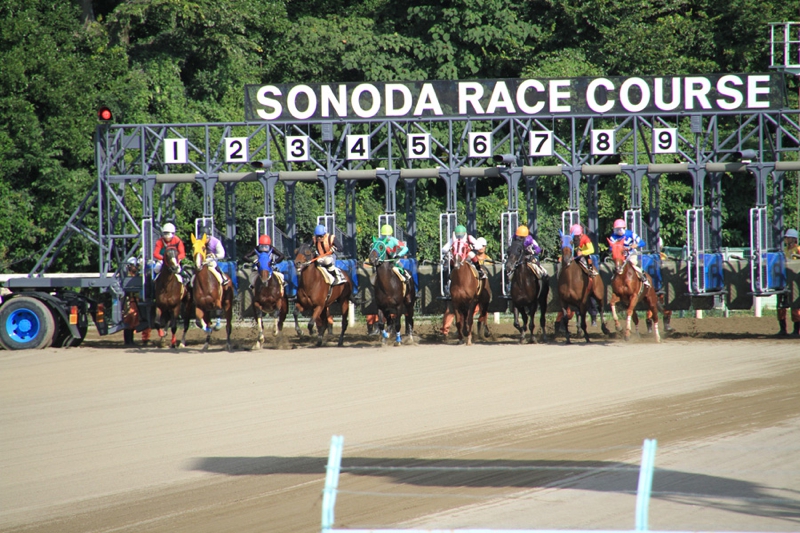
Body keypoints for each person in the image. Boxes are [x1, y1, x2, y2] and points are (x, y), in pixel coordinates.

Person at [608, 218, 649, 287]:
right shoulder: (613, 237)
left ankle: (643, 278)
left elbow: (642, 243)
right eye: (616, 229)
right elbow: (611, 248)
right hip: (620, 255)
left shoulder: (630, 234)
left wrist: (636, 245)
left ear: (624, 228)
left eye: (620, 229)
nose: (618, 231)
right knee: (615, 265)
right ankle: (613, 279)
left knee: (633, 263)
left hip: (630, 253)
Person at [123, 257, 151, 346]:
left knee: (134, 320)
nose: (136, 268)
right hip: (129, 300)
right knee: (129, 319)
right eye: (135, 266)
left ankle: (131, 340)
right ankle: (127, 341)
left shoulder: (137, 275)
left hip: (135, 300)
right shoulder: (127, 276)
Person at [777, 228, 800, 336]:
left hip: (795, 281)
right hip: (784, 280)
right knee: (781, 306)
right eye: (786, 238)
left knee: (795, 306)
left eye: (789, 238)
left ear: (794, 239)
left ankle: (796, 330)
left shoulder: (798, 249)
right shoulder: (784, 251)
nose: (787, 239)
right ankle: (783, 330)